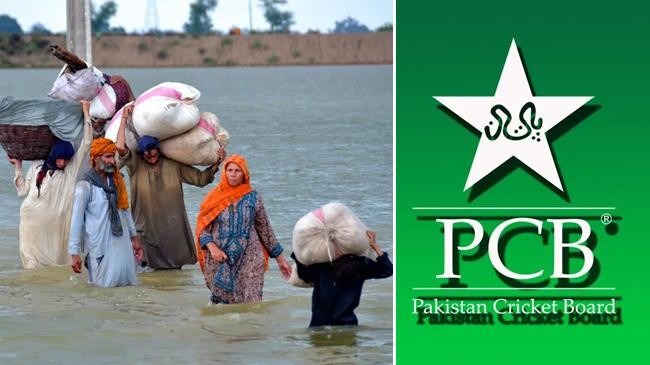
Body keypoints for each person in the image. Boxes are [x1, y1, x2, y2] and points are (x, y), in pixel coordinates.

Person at [115, 104, 225, 269]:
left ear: (158, 150)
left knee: (174, 270)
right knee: (146, 270)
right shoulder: (135, 165)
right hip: (145, 228)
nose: (150, 156)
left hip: (172, 228)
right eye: (146, 153)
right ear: (141, 154)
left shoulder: (174, 164)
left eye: (153, 152)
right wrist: (124, 118)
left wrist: (217, 162)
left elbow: (201, 179)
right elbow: (119, 147)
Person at [195, 154, 292, 304]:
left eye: (237, 171)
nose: (233, 174)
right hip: (220, 259)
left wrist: (281, 260)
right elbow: (202, 230)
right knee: (221, 308)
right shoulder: (213, 198)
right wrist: (212, 247)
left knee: (252, 304)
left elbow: (265, 230)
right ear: (224, 173)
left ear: (244, 174)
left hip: (250, 259)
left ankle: (253, 326)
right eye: (230, 170)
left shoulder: (253, 197)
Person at [9, 100, 93, 269]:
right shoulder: (37, 166)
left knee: (57, 262)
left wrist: (86, 114)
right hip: (31, 221)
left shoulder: (70, 170)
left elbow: (86, 143)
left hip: (57, 223)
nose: (62, 162)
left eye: (66, 159)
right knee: (31, 263)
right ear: (53, 155)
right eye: (60, 158)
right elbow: (23, 191)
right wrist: (18, 167)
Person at [68, 138, 143, 287]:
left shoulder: (117, 181)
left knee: (126, 283)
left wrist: (134, 237)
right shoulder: (84, 187)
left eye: (113, 157)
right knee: (102, 288)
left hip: (121, 243)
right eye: (108, 157)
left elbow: (125, 210)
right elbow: (76, 222)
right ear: (96, 159)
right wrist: (74, 253)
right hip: (99, 246)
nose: (112, 161)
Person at [292, 231, 393, 327]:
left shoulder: (321, 265)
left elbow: (305, 276)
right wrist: (374, 245)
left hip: (319, 325)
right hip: (347, 326)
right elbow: (387, 269)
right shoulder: (360, 265)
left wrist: (299, 251)